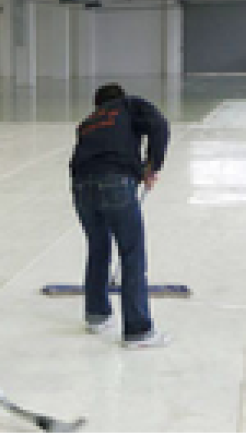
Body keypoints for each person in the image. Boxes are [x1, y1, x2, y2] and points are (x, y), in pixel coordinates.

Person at [69, 83, 170, 349]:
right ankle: (138, 330)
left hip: (81, 187)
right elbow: (160, 125)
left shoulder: (88, 122)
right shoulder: (128, 105)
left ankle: (97, 315)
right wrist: (153, 167)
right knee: (131, 253)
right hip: (115, 181)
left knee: (98, 247)